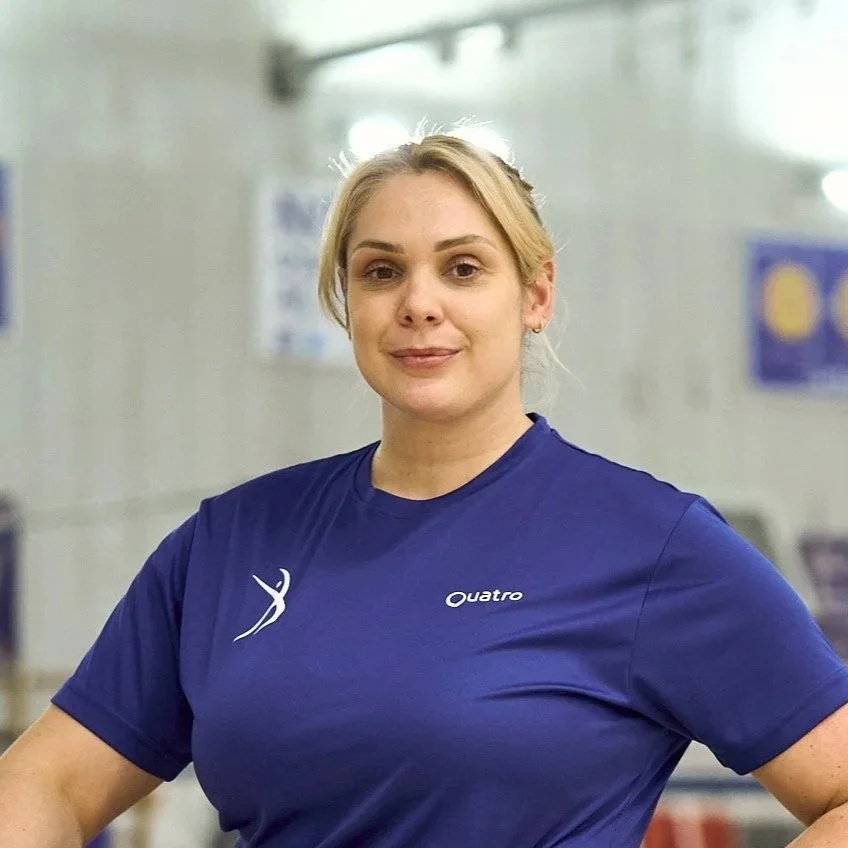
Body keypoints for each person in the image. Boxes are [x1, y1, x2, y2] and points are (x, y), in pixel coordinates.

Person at [1, 133, 848, 848]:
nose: (419, 304)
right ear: (347, 302)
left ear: (536, 294)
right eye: (381, 272)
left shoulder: (653, 547)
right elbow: (49, 785)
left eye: (464, 268)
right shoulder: (234, 541)